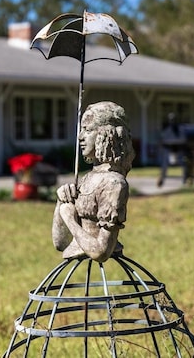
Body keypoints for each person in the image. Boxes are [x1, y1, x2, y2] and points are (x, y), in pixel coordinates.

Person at [52, 101, 135, 263]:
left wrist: (69, 217)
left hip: (96, 250)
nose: (80, 137)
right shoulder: (86, 179)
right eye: (81, 130)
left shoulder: (114, 184)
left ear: (106, 135)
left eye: (88, 130)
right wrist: (60, 202)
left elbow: (101, 252)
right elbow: (60, 243)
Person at [157, 112, 187, 187]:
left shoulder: (180, 129)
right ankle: (162, 177)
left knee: (184, 160)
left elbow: (183, 140)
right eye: (170, 120)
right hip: (168, 149)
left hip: (179, 149)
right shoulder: (167, 130)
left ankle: (185, 179)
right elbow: (163, 140)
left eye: (173, 120)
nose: (172, 121)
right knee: (164, 159)